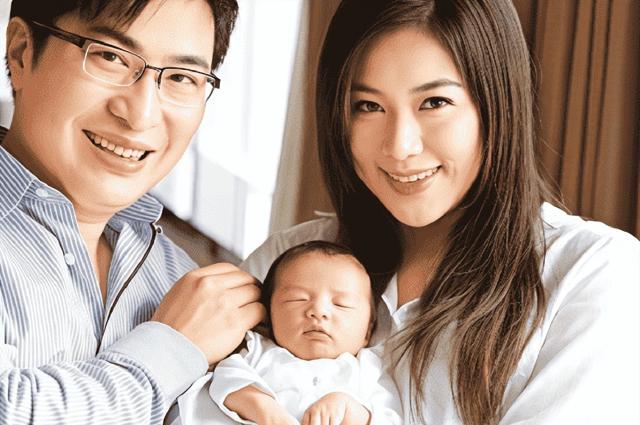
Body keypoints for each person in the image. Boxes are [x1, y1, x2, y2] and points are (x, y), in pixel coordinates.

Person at [241, 0, 640, 424]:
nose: (400, 146)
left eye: (434, 102)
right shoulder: (286, 259)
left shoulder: (592, 274)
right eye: (368, 106)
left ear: (498, 104)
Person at [0, 1, 265, 424]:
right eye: (110, 57)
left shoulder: (183, 283)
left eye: (181, 78)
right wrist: (170, 350)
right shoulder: (189, 328)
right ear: (21, 52)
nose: (141, 115)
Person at [177, 240, 402, 425]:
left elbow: (391, 419)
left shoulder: (369, 370)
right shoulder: (257, 350)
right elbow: (226, 381)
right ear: (268, 316)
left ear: (368, 330)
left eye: (341, 304)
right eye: (298, 299)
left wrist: (348, 409)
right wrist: (266, 410)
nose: (319, 311)